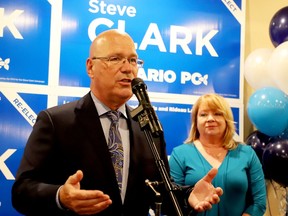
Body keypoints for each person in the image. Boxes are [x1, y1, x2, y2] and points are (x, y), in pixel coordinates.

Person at [11, 29, 223, 216]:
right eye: (115, 59)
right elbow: (22, 191)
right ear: (90, 67)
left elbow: (159, 190)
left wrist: (188, 196)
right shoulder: (56, 121)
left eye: (133, 60)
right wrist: (61, 196)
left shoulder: (146, 126)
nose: (128, 69)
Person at [169, 93, 267, 216]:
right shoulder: (180, 154)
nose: (210, 118)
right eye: (203, 114)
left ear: (226, 120)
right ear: (196, 121)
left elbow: (259, 202)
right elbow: (171, 203)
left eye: (217, 113)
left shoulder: (247, 153)